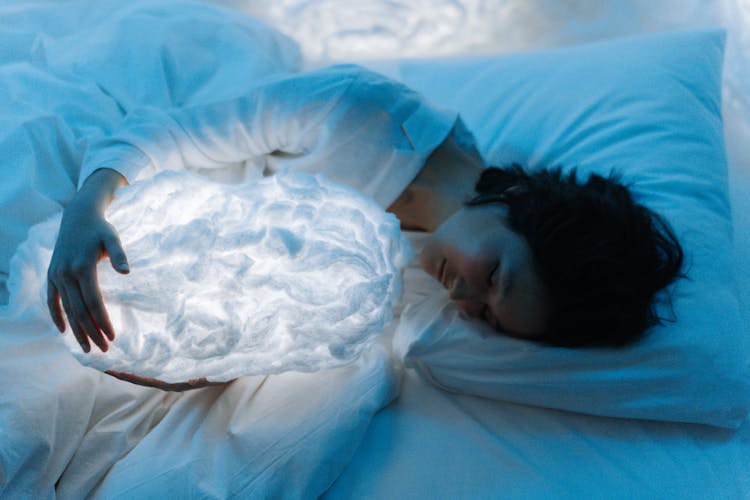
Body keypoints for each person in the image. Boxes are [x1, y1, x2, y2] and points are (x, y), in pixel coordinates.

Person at [46, 64, 684, 374]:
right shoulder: (364, 113)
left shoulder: (411, 294)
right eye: (492, 279)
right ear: (520, 206)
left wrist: (197, 372)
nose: (461, 298)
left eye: (486, 316)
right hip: (137, 205)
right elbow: (177, 132)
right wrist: (88, 205)